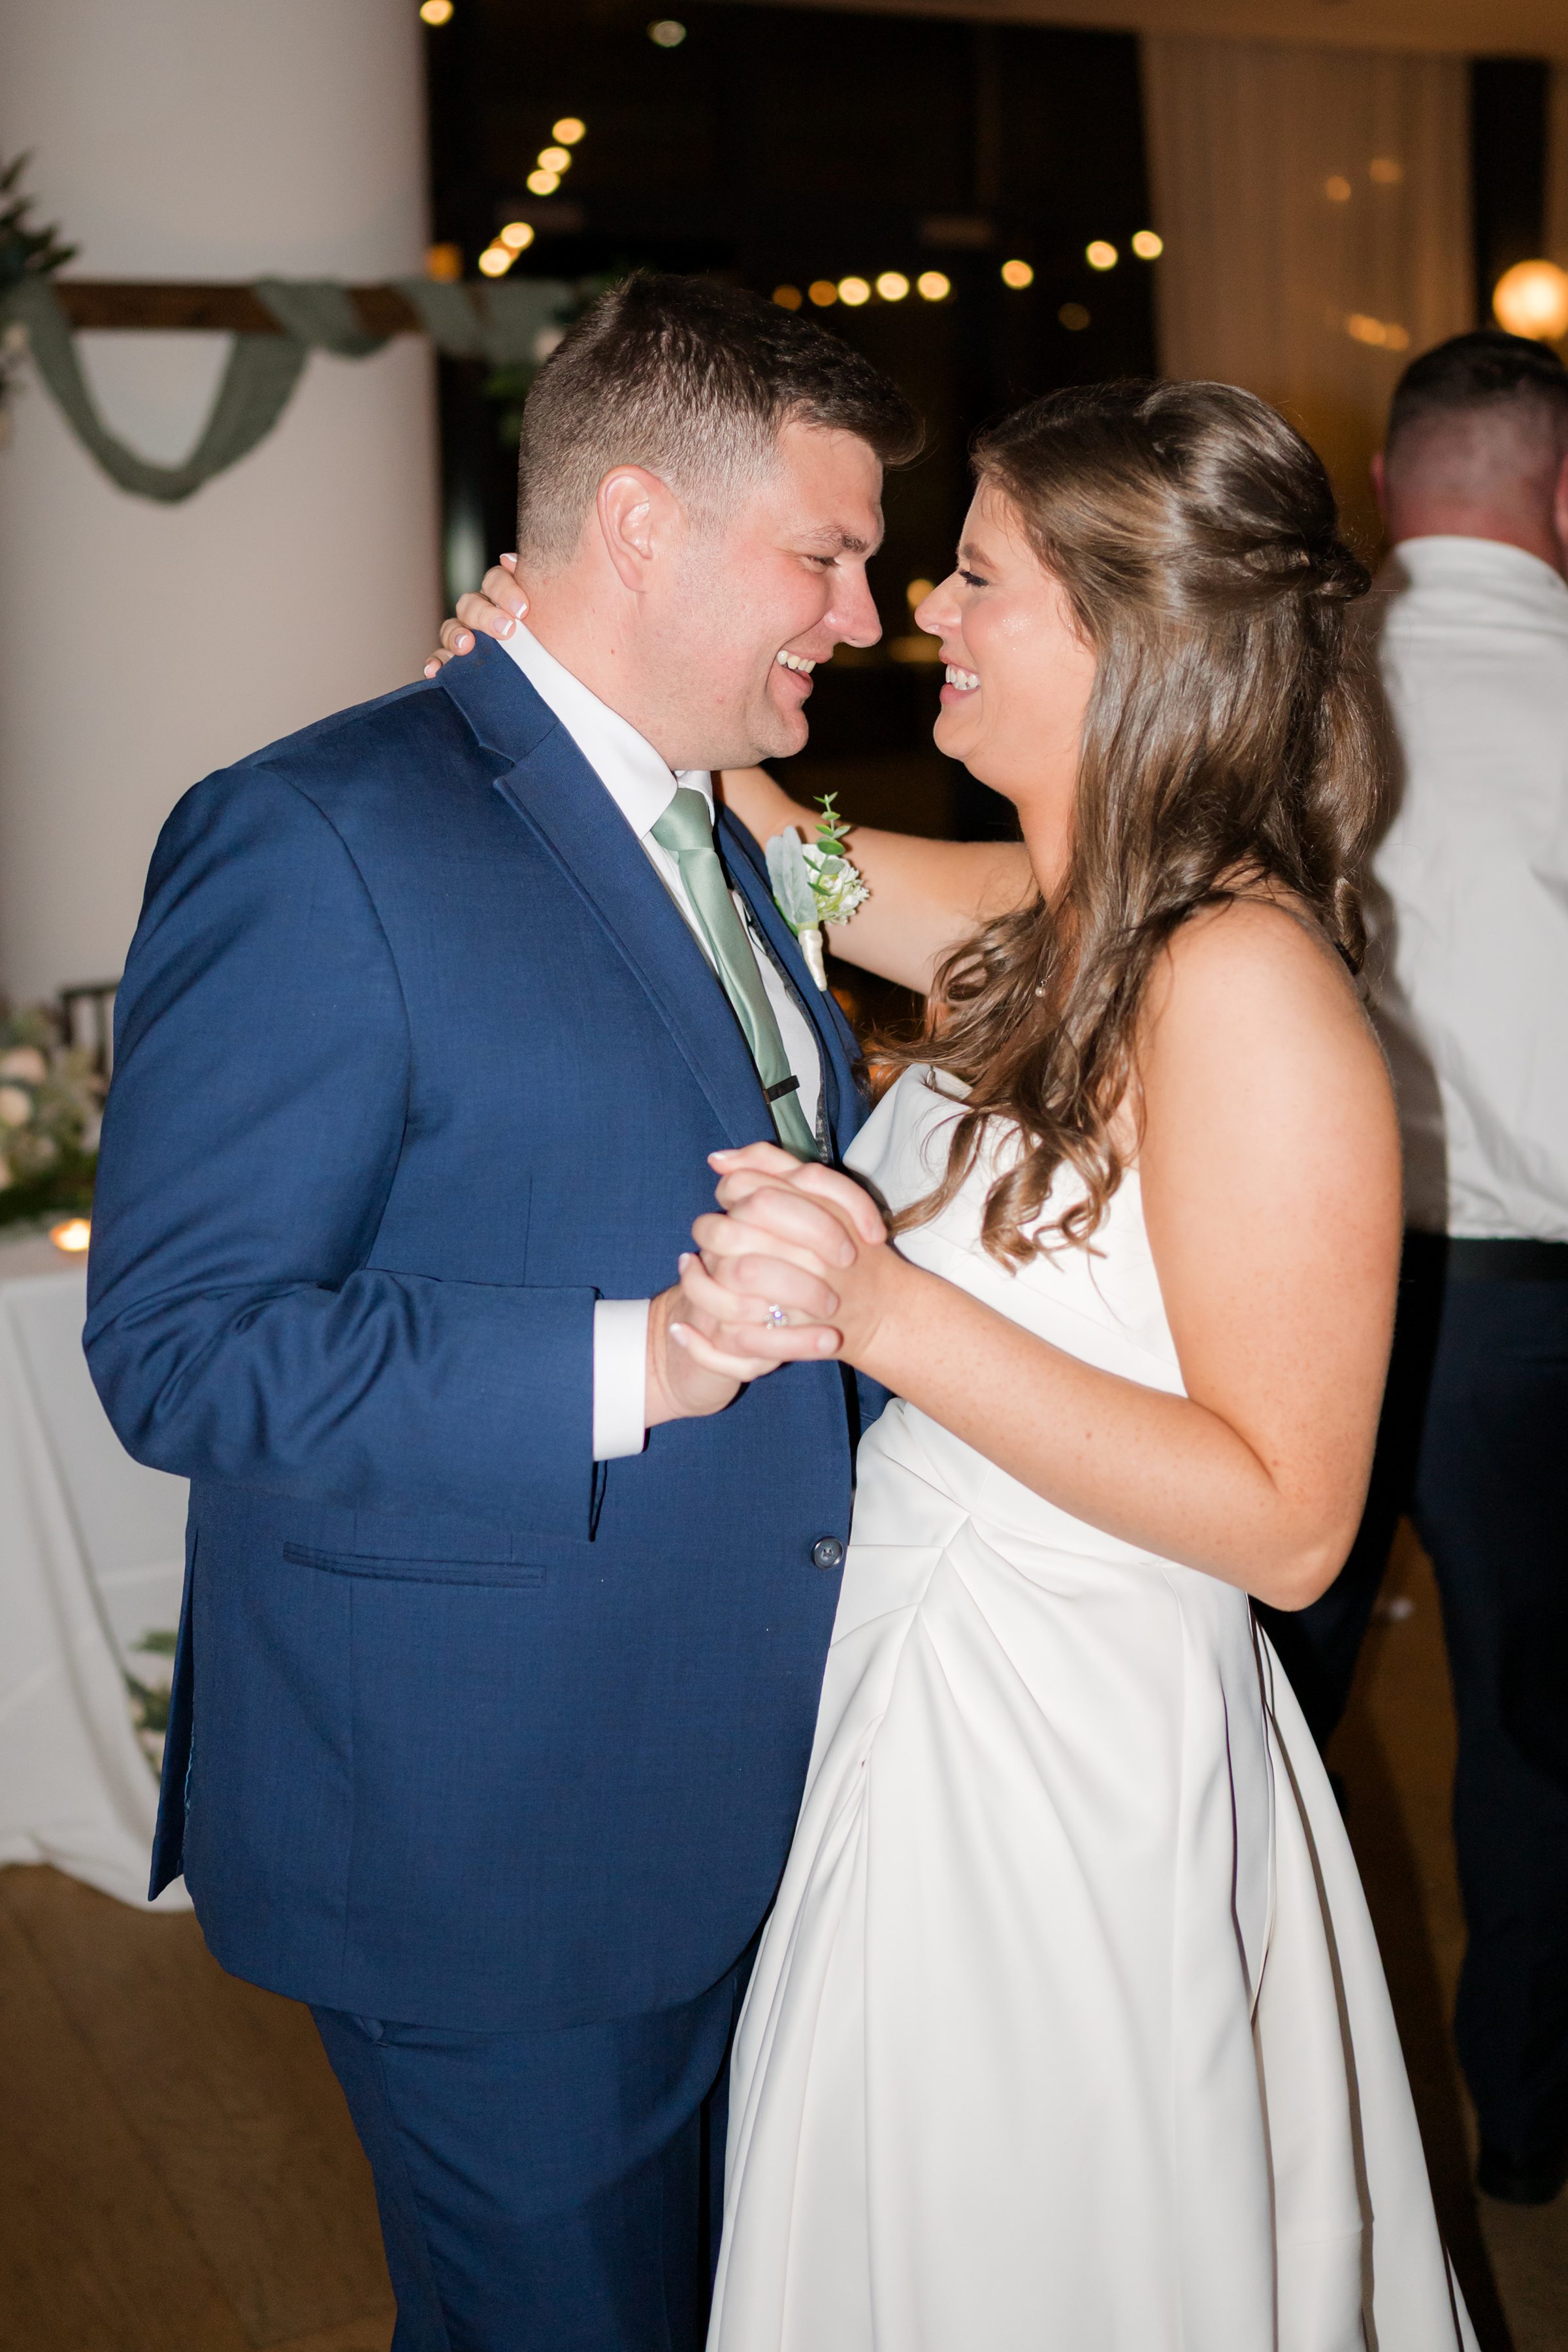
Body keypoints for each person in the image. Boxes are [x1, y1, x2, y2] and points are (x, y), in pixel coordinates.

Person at [457, 380, 1475, 2344]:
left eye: (977, 577)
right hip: (920, 1701)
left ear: (1124, 639)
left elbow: (1289, 1526)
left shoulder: (1249, 989)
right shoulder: (1063, 918)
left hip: (1074, 1753)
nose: (925, 607)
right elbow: (788, 852)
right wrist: (583, 685)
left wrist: (885, 1312)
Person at [84, 272, 920, 2352]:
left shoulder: (712, 825)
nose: (868, 613)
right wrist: (645, 1356)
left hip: (743, 1781)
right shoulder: (316, 833)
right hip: (496, 1844)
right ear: (641, 528)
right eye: (827, 554)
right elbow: (181, 1344)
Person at [1256, 329, 1568, 2210]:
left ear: (1389, 489)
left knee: (1261, 1707)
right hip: (1538, 1310)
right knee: (1540, 1736)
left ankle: (1258, 2129)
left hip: (1297, 1280)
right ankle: (1525, 2131)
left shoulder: (1283, 691)